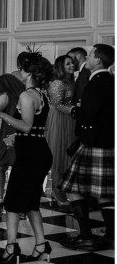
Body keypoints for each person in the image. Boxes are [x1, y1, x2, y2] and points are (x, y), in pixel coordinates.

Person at [0, 53, 54, 264]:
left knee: (12, 202)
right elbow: (35, 128)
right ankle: (41, 244)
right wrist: (16, 136)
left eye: (21, 69)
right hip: (38, 150)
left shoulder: (26, 96)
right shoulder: (42, 94)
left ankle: (11, 247)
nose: (18, 72)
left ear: (28, 72)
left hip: (30, 155)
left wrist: (2, 115)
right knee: (30, 202)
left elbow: (27, 126)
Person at [61, 44, 114, 250]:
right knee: (106, 194)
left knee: (74, 190)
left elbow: (89, 114)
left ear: (98, 60)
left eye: (90, 55)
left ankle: (85, 235)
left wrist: (75, 111)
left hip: (93, 143)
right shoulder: (111, 81)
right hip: (109, 143)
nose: (87, 58)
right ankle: (111, 235)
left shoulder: (96, 82)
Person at [0, 52, 29, 215]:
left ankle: (0, 198)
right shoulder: (26, 95)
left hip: (8, 135)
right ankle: (20, 201)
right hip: (22, 135)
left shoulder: (6, 96)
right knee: (19, 168)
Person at [45, 54, 77, 211]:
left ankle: (59, 190)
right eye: (68, 64)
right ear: (60, 67)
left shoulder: (71, 82)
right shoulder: (58, 83)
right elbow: (57, 104)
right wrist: (74, 110)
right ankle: (57, 191)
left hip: (70, 120)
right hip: (59, 120)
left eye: (72, 63)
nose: (72, 65)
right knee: (59, 156)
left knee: (67, 157)